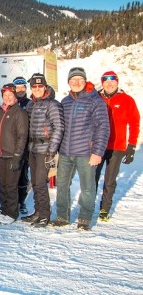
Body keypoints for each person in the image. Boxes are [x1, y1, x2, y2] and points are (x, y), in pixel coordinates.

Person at [51, 67, 110, 230]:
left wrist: (98, 152)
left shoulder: (95, 100)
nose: (76, 82)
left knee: (88, 188)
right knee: (62, 186)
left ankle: (84, 218)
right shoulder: (65, 101)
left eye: (80, 79)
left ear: (85, 81)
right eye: (73, 79)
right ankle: (62, 216)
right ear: (69, 82)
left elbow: (103, 127)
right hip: (65, 153)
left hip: (86, 153)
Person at [95, 71, 140, 221]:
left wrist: (131, 146)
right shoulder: (96, 98)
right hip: (97, 146)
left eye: (112, 81)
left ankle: (104, 208)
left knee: (110, 179)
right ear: (102, 83)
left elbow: (134, 123)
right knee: (91, 177)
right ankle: (87, 206)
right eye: (106, 81)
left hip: (117, 146)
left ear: (117, 82)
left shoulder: (127, 100)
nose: (109, 84)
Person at [21, 74, 64, 228]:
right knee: (35, 181)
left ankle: (45, 214)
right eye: (34, 86)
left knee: (40, 183)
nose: (37, 89)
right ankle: (38, 211)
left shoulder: (53, 104)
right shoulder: (31, 104)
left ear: (45, 87)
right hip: (32, 148)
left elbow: (59, 127)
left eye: (40, 86)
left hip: (45, 149)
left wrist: (52, 150)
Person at [0, 84, 28, 225]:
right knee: (3, 185)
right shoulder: (1, 111)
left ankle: (12, 212)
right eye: (5, 95)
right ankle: (4, 209)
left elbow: (22, 136)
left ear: (15, 96)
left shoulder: (19, 113)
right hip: (1, 154)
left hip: (13, 154)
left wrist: (17, 155)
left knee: (12, 185)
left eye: (10, 95)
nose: (7, 98)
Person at [12, 76, 31, 214]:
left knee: (23, 175)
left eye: (22, 87)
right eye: (17, 88)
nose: (20, 90)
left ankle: (21, 201)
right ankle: (10, 201)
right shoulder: (9, 103)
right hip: (10, 145)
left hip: (25, 146)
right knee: (11, 175)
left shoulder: (30, 104)